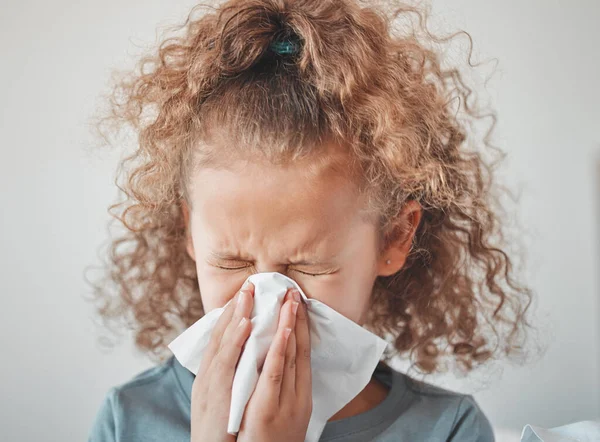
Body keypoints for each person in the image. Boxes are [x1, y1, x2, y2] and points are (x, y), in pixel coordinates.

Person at [86, 0, 536, 440]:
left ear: (394, 237)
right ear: (190, 232)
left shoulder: (449, 429)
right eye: (230, 262)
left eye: (308, 268)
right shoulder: (129, 419)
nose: (268, 302)